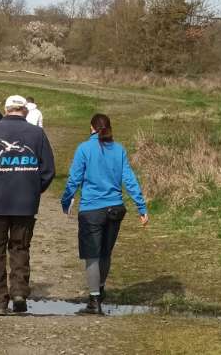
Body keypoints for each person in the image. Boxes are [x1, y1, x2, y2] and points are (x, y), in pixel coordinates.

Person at [0, 95, 55, 315]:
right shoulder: (37, 134)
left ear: (6, 109)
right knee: (20, 248)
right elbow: (48, 171)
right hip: (26, 205)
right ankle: (19, 292)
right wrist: (33, 190)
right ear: (25, 111)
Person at [60, 114, 148, 315]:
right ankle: (99, 289)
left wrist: (66, 201)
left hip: (92, 209)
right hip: (116, 209)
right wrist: (141, 207)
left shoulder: (84, 149)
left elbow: (74, 179)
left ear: (91, 127)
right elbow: (130, 179)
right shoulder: (119, 150)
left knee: (92, 255)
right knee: (105, 253)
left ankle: (94, 300)